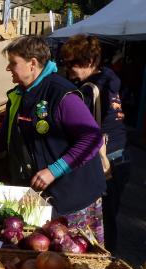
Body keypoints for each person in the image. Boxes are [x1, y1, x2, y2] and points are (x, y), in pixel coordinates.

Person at [0, 36, 107, 243]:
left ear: (32, 63)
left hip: (74, 194)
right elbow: (7, 134)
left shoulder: (61, 94)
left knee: (73, 258)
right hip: (43, 193)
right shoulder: (19, 95)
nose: (9, 68)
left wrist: (55, 170)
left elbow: (92, 137)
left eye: (13, 62)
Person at [60, 35, 130, 252]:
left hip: (107, 160)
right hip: (121, 156)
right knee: (109, 216)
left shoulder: (89, 90)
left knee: (104, 217)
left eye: (74, 63)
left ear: (90, 62)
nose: (69, 68)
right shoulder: (107, 76)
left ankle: (107, 266)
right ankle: (109, 259)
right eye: (66, 62)